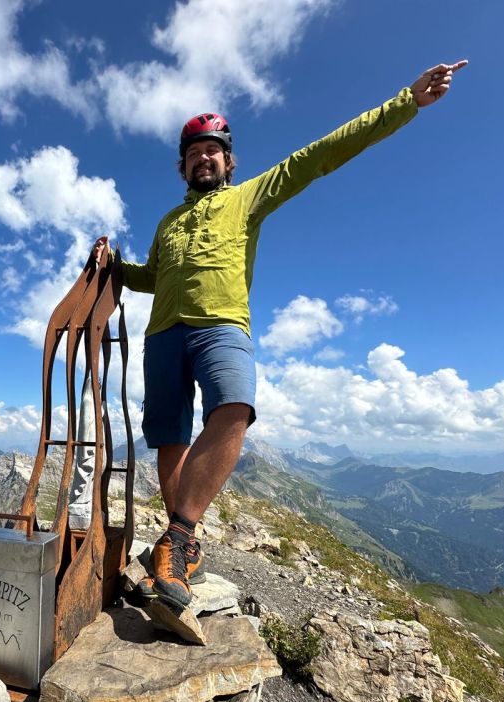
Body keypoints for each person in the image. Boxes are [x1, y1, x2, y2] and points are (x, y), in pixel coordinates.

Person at [97, 61, 468, 609]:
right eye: (195, 151)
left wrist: (405, 102)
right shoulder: (167, 225)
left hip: (223, 325)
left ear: (228, 160)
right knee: (171, 438)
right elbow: (153, 278)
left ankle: (175, 538)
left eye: (213, 149)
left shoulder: (248, 197)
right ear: (183, 165)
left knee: (235, 407)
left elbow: (317, 156)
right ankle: (183, 549)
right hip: (163, 335)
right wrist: (116, 265)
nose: (204, 156)